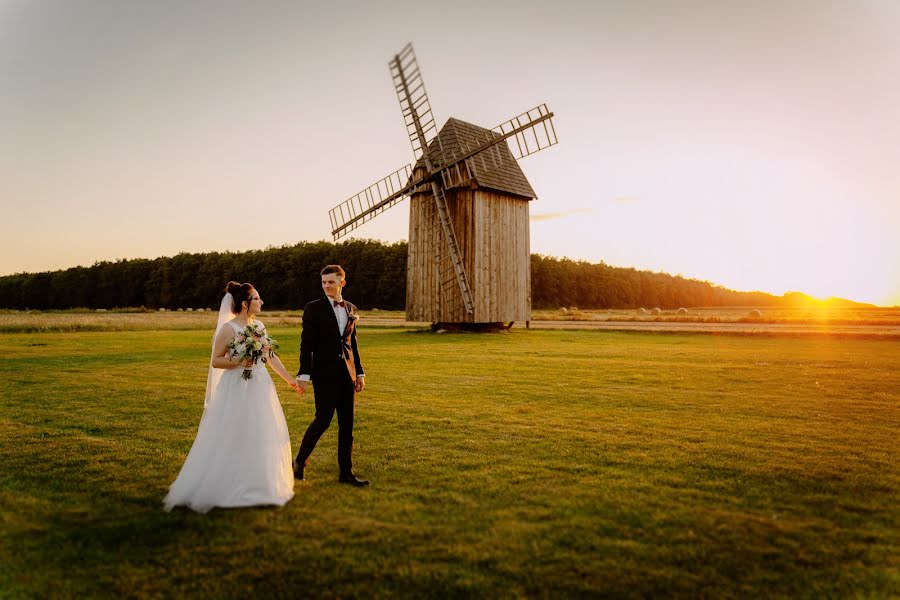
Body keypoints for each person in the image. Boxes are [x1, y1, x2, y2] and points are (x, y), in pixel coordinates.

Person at [164, 281, 301, 513]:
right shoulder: (228, 329)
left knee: (260, 431)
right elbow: (216, 360)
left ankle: (259, 485)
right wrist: (238, 361)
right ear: (245, 304)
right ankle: (225, 484)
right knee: (233, 432)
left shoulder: (259, 326)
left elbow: (270, 356)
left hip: (260, 386)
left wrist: (289, 379)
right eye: (257, 299)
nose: (262, 302)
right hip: (236, 388)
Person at [293, 265, 369, 486]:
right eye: (324, 282)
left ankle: (346, 474)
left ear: (341, 283)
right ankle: (299, 462)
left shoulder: (351, 308)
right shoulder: (313, 308)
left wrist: (360, 373)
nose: (327, 286)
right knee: (322, 420)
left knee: (347, 425)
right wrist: (304, 374)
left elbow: (352, 343)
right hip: (324, 375)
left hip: (347, 375)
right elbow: (306, 345)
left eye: (331, 282)